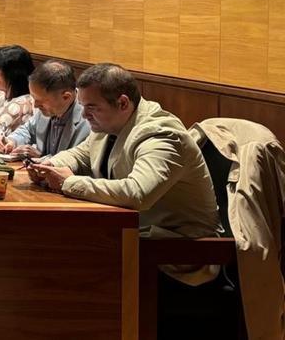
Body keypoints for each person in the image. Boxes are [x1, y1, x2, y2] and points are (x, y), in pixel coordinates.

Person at [31, 63, 221, 288]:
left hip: (177, 253)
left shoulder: (162, 136)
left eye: (91, 106)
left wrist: (68, 182)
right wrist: (50, 165)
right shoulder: (111, 123)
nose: (84, 114)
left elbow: (137, 194)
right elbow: (81, 154)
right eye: (82, 106)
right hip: (134, 238)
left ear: (122, 103)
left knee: (68, 259)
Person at [0, 60, 89, 159]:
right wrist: (12, 141)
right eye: (34, 98)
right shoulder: (48, 107)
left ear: (66, 97)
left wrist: (42, 157)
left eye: (41, 101)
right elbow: (28, 129)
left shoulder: (90, 120)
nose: (35, 105)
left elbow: (79, 164)